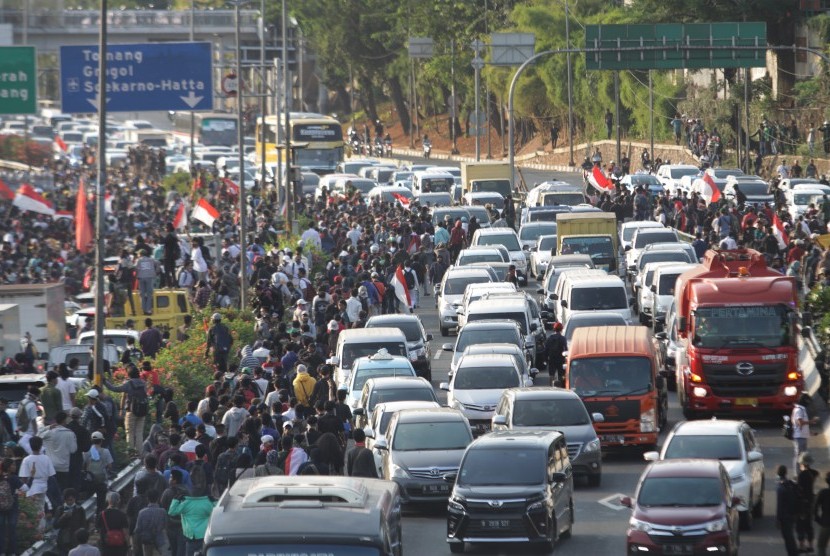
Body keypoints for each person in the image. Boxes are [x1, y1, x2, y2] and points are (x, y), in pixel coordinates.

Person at [104, 366, 149, 456]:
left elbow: (114, 389)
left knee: (130, 432)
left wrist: (105, 381)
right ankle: (140, 453)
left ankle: (131, 453)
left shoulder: (129, 384)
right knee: (139, 432)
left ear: (129, 374)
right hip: (142, 410)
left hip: (131, 411)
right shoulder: (143, 383)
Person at [167, 488, 216, 556]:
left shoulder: (185, 503)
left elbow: (171, 512)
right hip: (204, 536)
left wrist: (176, 499)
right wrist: (214, 500)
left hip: (191, 537)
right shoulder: (207, 503)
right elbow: (218, 510)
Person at [39, 410, 77, 492]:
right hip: (63, 466)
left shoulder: (50, 433)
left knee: (51, 490)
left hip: (50, 465)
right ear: (64, 420)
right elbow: (73, 450)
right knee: (62, 489)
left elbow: (38, 435)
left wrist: (48, 427)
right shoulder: (70, 434)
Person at [133, 489, 169, 556]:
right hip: (160, 541)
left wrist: (135, 544)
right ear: (158, 498)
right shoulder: (163, 512)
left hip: (146, 540)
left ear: (147, 499)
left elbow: (137, 530)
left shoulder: (142, 512)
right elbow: (166, 526)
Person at [797, 452, 820, 553]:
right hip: (811, 502)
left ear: (802, 463)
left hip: (802, 503)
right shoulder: (813, 473)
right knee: (809, 525)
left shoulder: (802, 475)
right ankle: (810, 545)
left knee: (800, 525)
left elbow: (799, 489)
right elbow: (816, 472)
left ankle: (802, 546)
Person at [55, 488, 87, 556]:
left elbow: (83, 525)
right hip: (63, 540)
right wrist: (63, 517)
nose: (69, 502)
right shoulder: (60, 509)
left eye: (71, 500)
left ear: (75, 499)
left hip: (76, 540)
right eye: (67, 500)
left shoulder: (80, 509)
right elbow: (55, 525)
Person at [97, 491, 129, 556]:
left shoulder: (102, 514)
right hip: (120, 546)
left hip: (106, 546)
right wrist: (129, 546)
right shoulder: (122, 515)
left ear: (108, 500)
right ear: (118, 501)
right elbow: (125, 533)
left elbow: (99, 532)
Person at [792, 393, 818, 472]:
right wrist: (811, 421)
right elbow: (800, 422)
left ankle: (802, 472)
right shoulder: (798, 410)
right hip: (799, 437)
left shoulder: (802, 409)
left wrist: (811, 433)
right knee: (799, 456)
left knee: (803, 456)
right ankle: (797, 474)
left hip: (803, 436)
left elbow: (803, 426)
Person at [778, 464, 800, 556]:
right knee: (790, 536)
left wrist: (778, 519)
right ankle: (793, 552)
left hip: (785, 516)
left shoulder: (781, 486)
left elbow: (779, 505)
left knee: (788, 537)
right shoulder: (791, 483)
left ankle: (792, 553)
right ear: (786, 472)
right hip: (792, 514)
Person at [135, 249, 159, 315]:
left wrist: (137, 275)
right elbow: (158, 263)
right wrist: (156, 271)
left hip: (141, 277)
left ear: (140, 254)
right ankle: (148, 310)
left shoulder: (139, 260)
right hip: (149, 277)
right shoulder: (151, 260)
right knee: (149, 294)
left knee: (142, 294)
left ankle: (143, 309)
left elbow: (136, 268)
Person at [814, 470, 830, 556]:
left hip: (826, 523)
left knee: (821, 547)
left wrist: (818, 519)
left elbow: (815, 507)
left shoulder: (823, 492)